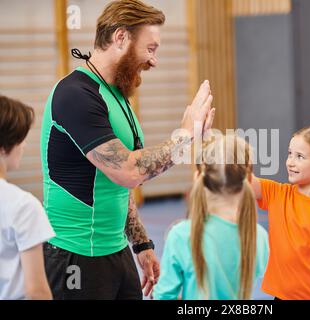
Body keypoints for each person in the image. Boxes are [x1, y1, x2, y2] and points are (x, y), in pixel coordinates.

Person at [40, 0, 214, 300]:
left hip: (114, 250)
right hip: (75, 256)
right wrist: (185, 135)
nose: (154, 60)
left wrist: (142, 244)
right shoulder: (75, 95)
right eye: (151, 48)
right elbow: (128, 171)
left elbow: (115, 185)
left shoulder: (116, 94)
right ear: (121, 38)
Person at [153, 134, 269, 300]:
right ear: (249, 179)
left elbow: (163, 296)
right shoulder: (258, 235)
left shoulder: (181, 235)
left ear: (199, 177)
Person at [250, 125, 310, 300]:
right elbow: (238, 179)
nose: (290, 162)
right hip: (281, 296)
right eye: (290, 153)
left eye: (300, 156)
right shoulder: (276, 193)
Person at [0, 95, 55, 300]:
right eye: (20, 140)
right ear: (5, 147)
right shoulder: (23, 206)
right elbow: (36, 291)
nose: (23, 147)